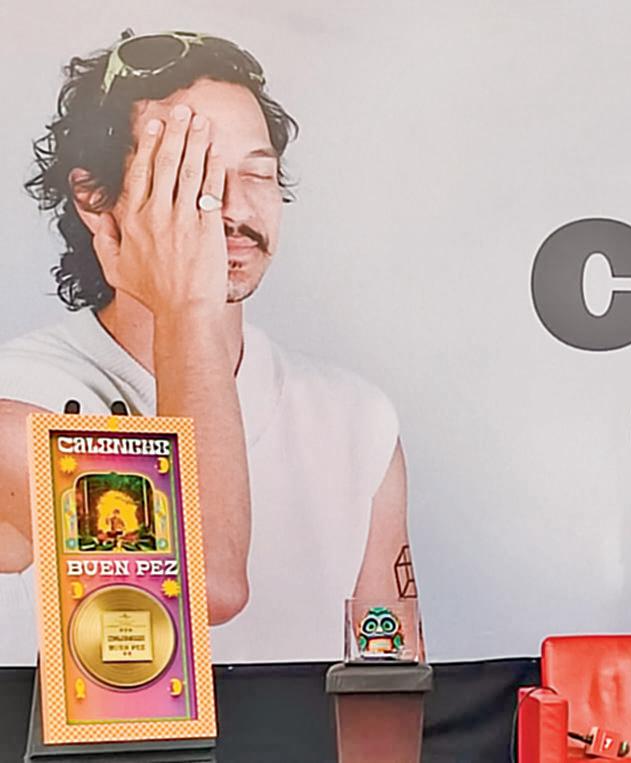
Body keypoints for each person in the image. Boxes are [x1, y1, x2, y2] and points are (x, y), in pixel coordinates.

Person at [0, 31, 411, 662]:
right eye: (191, 174)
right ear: (95, 200)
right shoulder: (20, 396)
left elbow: (390, 680)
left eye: (258, 173)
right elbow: (202, 582)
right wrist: (187, 307)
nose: (235, 208)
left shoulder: (356, 417)